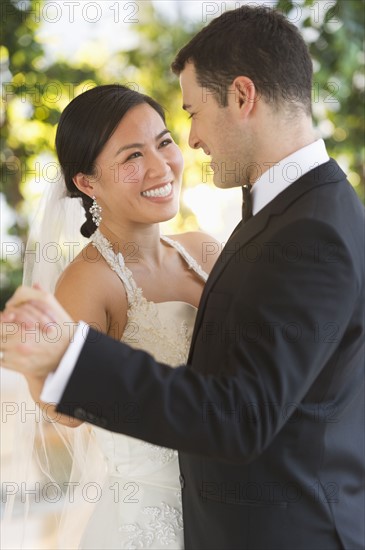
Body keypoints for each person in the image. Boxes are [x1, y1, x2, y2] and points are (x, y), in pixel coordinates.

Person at [1, 5, 364, 550]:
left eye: (184, 120)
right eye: (131, 155)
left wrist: (69, 360)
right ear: (87, 183)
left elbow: (244, 411)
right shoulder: (277, 214)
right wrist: (48, 365)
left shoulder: (296, 231)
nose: (187, 144)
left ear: (242, 97)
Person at [1, 84, 220, 549]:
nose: (161, 167)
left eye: (163, 142)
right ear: (87, 182)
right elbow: (63, 408)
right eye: (132, 156)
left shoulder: (204, 249)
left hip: (231, 504)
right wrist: (36, 356)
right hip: (151, 521)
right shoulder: (89, 281)